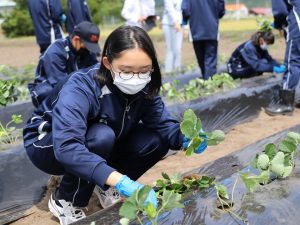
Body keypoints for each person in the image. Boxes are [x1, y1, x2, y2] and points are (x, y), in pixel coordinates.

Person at [23, 26, 207, 225]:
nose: (136, 78)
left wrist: (185, 138)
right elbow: (67, 147)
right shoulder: (82, 86)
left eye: (144, 71)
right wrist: (122, 181)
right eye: (127, 71)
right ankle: (66, 200)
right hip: (48, 143)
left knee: (156, 140)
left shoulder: (146, 87)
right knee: (101, 136)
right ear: (107, 63)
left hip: (97, 138)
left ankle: (103, 184)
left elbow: (162, 124)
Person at [28, 21, 100, 108]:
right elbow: (59, 83)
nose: (88, 50)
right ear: (76, 39)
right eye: (87, 45)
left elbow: (96, 72)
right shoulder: (56, 52)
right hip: (53, 87)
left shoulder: (87, 51)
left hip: (76, 86)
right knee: (45, 92)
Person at [266, 0, 300, 116]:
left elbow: (280, 11)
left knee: (293, 61)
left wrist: (278, 23)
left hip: (297, 23)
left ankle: (285, 103)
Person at [181, 0, 225, 80]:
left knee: (201, 58)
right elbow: (221, 10)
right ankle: (210, 81)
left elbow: (185, 10)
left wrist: (185, 20)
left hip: (196, 29)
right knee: (210, 59)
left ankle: (206, 78)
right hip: (211, 28)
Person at [162, 0, 183, 73]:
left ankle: (177, 70)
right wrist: (175, 21)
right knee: (170, 49)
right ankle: (168, 71)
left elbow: (184, 9)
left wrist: (185, 26)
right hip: (168, 24)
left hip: (179, 24)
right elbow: (169, 8)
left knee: (178, 49)